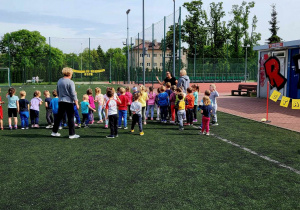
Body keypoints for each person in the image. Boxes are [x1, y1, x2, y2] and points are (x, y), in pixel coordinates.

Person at [51, 67, 80, 139]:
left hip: (61, 101)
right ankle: (72, 134)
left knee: (58, 117)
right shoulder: (71, 82)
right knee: (70, 117)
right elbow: (73, 93)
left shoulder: (59, 80)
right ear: (70, 73)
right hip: (69, 102)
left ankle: (54, 132)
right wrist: (76, 102)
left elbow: (57, 91)